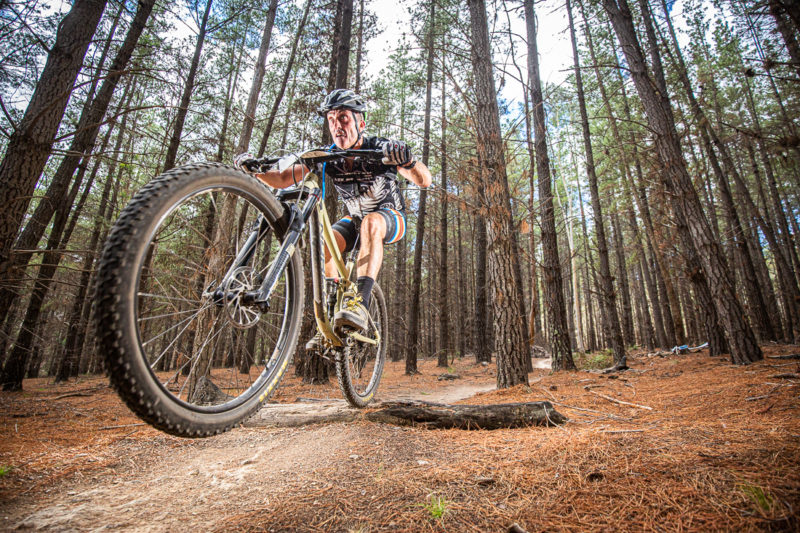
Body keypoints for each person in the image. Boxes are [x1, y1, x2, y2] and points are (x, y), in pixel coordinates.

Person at [234, 89, 432, 350]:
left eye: (344, 118)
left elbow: (424, 180)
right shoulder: (328, 156)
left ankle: (360, 303)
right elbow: (283, 179)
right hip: (356, 219)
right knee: (325, 245)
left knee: (372, 222)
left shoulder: (379, 148)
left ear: (361, 123)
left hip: (389, 217)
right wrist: (256, 171)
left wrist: (408, 160)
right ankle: (329, 319)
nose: (337, 125)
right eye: (331, 119)